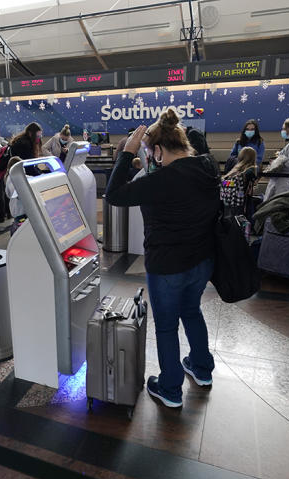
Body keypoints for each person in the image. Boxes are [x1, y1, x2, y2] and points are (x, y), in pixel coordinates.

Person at [105, 109, 221, 409]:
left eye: (149, 152)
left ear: (157, 149)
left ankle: (170, 388)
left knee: (167, 327)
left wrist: (126, 152)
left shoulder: (162, 181)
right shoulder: (208, 166)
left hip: (168, 266)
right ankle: (202, 368)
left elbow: (114, 194)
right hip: (203, 259)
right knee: (192, 311)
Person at [220, 147, 258, 217]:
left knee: (233, 221)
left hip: (235, 200)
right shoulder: (249, 169)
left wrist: (223, 182)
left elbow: (234, 183)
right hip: (237, 200)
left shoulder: (248, 170)